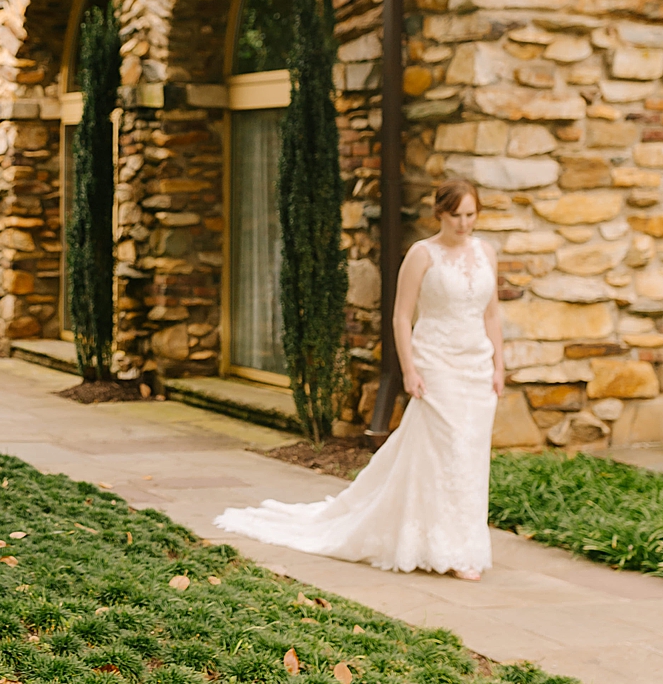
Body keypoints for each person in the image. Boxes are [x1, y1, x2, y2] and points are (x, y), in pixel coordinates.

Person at [215, 180, 504, 579]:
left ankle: (462, 544)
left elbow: (491, 315)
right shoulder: (422, 255)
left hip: (477, 365)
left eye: (471, 215)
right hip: (435, 362)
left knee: (470, 455)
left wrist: (499, 366)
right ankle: (443, 547)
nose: (464, 224)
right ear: (440, 213)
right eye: (456, 215)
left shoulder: (486, 252)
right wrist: (409, 369)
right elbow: (402, 316)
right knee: (445, 450)